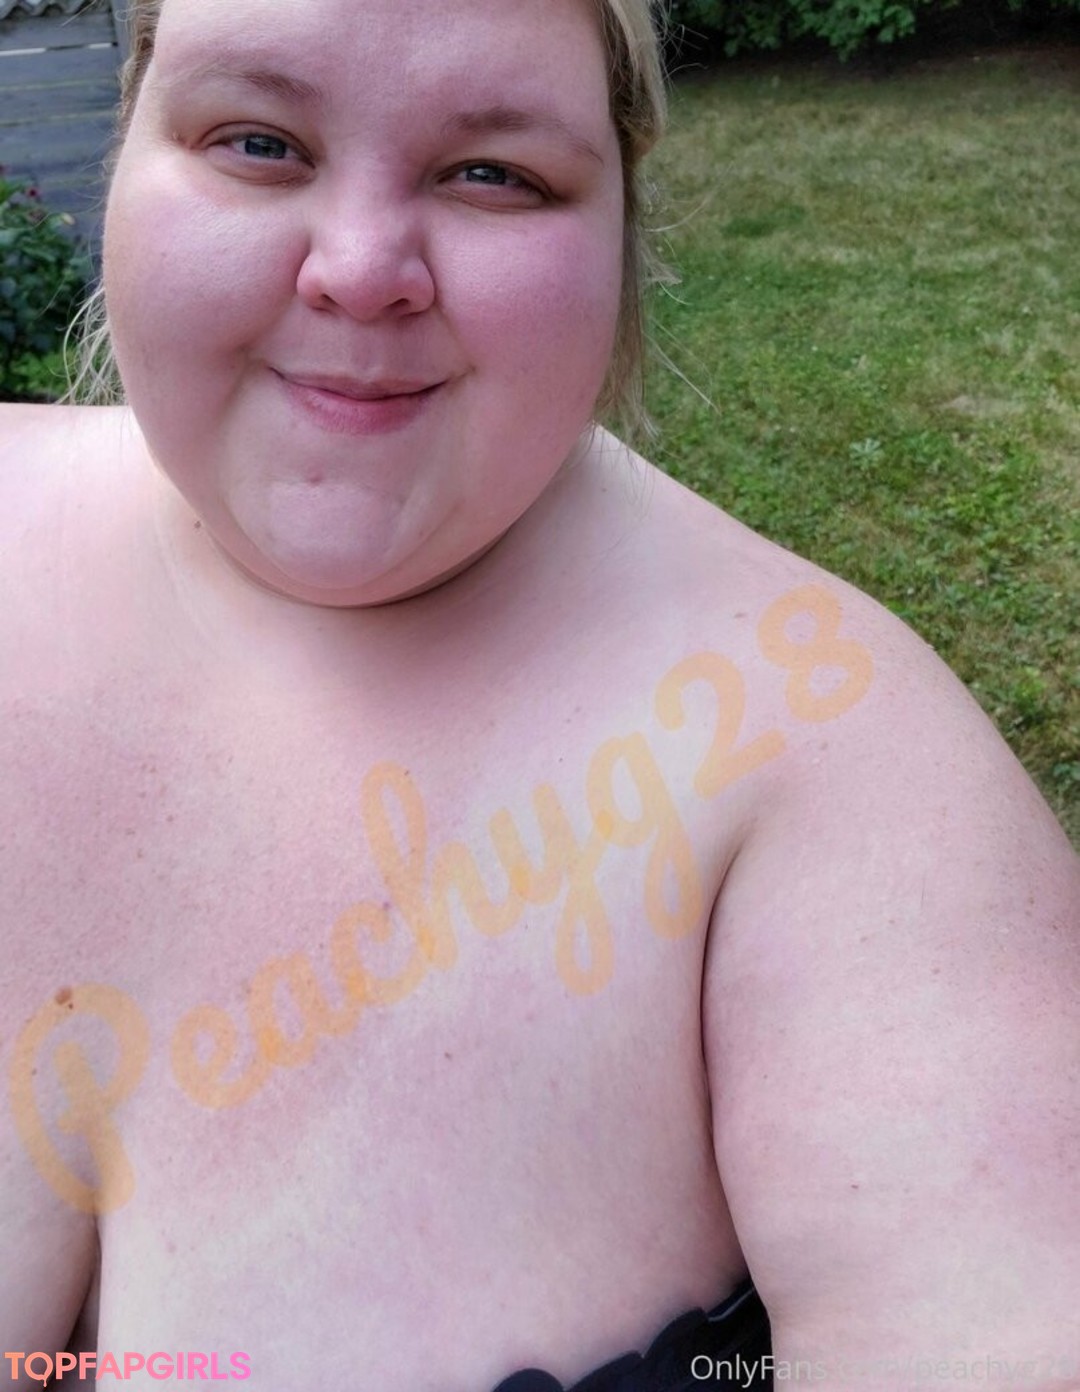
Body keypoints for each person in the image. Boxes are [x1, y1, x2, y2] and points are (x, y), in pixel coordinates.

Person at [0, 0, 1076, 1387]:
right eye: (258, 141)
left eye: (492, 172)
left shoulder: (842, 779)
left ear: (621, 221)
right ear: (130, 148)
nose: (361, 270)